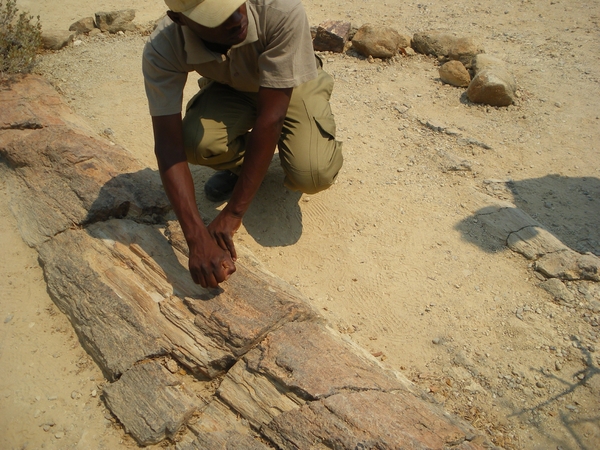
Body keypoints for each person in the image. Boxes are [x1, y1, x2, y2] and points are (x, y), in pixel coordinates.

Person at [143, 0, 343, 288]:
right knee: (197, 144)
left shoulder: (280, 11)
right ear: (179, 19)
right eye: (217, 16)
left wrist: (233, 213)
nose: (237, 17)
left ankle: (291, 149)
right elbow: (167, 145)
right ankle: (248, 167)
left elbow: (270, 118)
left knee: (312, 173)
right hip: (232, 86)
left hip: (292, 84)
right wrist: (196, 238)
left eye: (235, 3)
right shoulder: (163, 46)